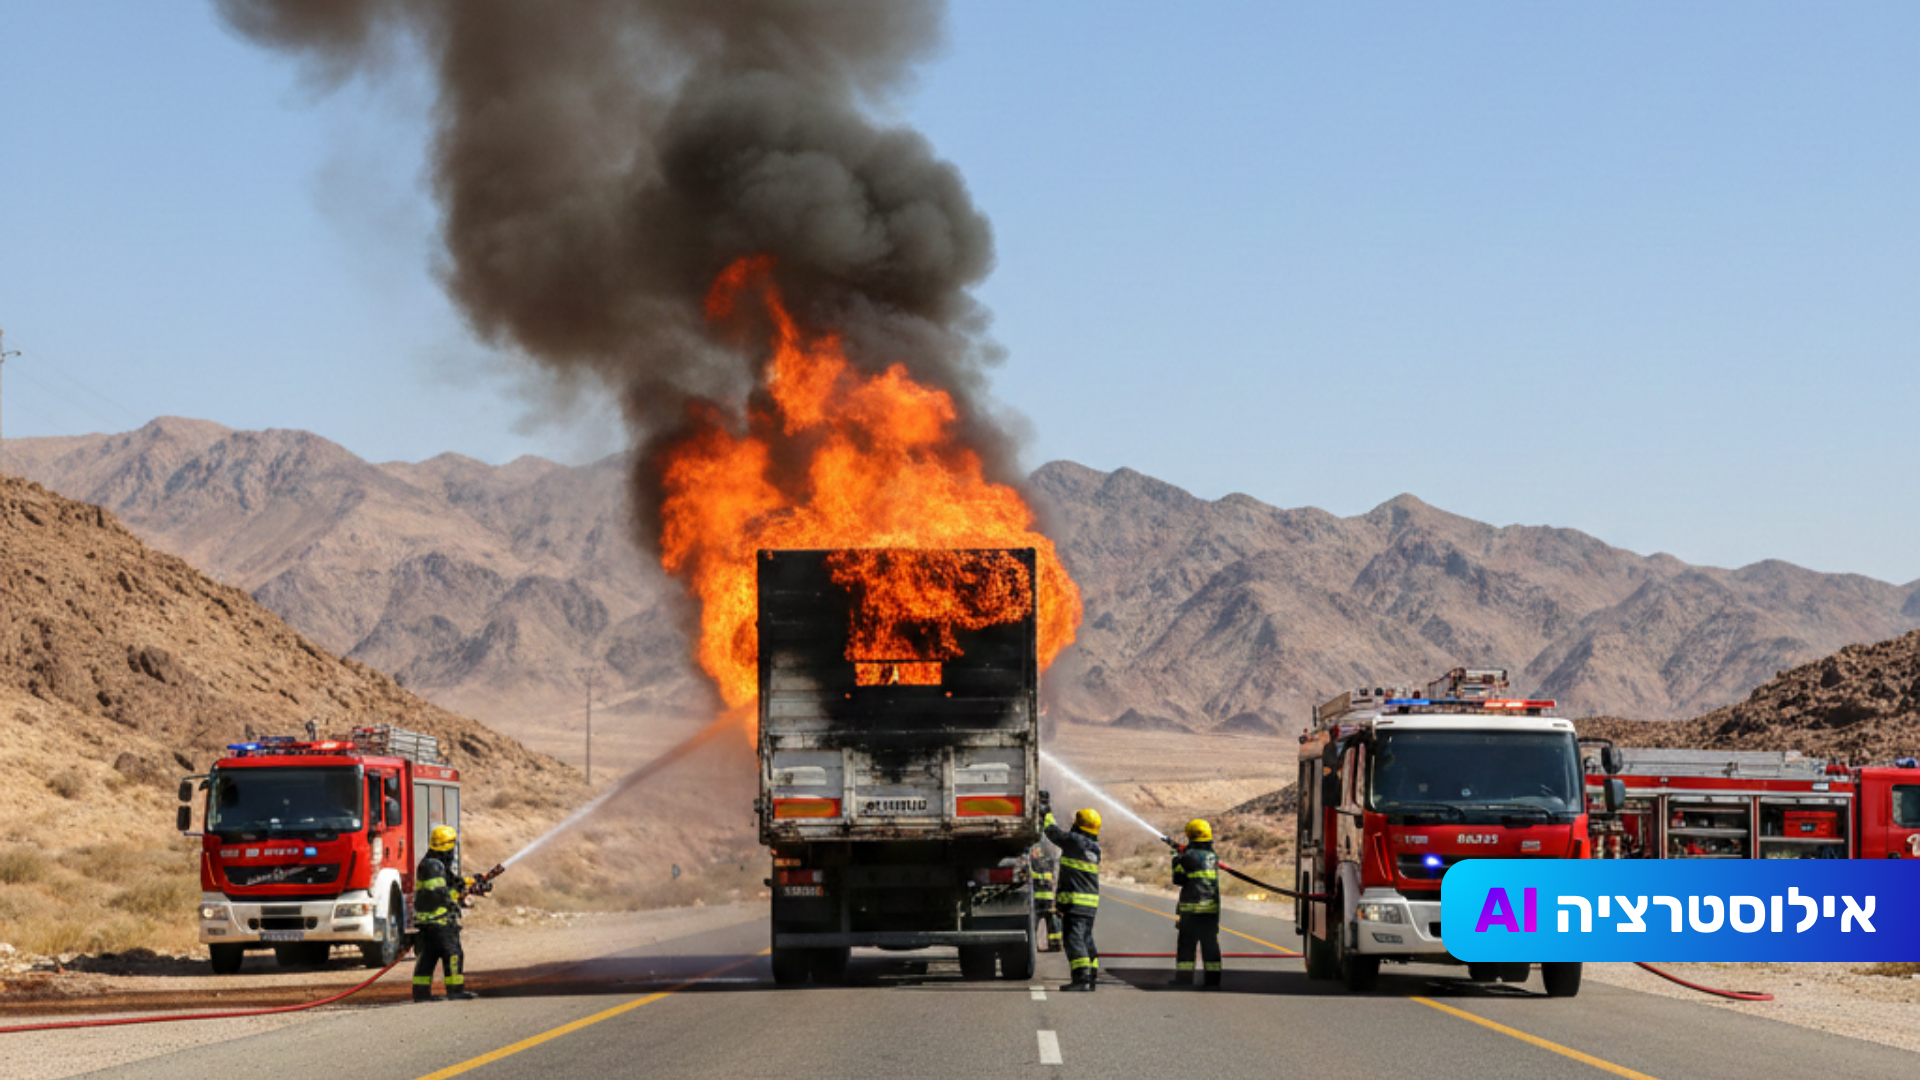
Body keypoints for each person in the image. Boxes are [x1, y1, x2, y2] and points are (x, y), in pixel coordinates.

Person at [413, 825, 477, 1002]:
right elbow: (439, 895)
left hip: (426, 924)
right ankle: (455, 991)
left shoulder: (431, 863)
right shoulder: (435, 867)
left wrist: (473, 882)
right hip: (440, 922)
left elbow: (449, 883)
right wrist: (460, 893)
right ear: (448, 847)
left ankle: (421, 994)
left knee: (428, 957)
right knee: (453, 954)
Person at [1044, 806, 1102, 992]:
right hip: (1089, 904)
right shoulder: (1095, 848)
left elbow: (1052, 832)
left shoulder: (1075, 841)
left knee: (1074, 939)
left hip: (1075, 903)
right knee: (1087, 939)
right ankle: (1091, 977)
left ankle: (1081, 979)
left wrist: (1046, 812)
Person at [1168, 818, 1222, 989]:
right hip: (1210, 910)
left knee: (1186, 945)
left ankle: (1184, 979)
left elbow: (1178, 880)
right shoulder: (1213, 856)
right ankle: (1213, 980)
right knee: (1210, 944)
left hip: (1191, 910)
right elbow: (1198, 857)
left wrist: (1176, 860)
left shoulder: (1185, 857)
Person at [1029, 841, 1062, 952]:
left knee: (1035, 924)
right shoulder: (1049, 862)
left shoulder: (1034, 863)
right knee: (1052, 922)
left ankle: (1053, 944)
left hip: (1038, 900)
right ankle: (1055, 945)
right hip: (1048, 898)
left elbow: (1045, 878)